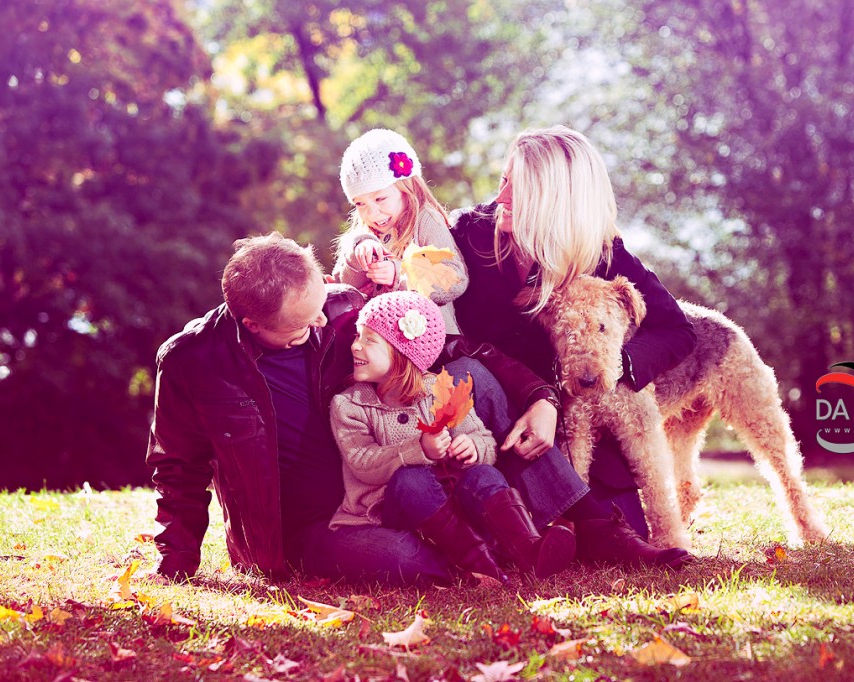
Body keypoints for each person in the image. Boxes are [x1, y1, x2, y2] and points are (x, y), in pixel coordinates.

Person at [146, 233, 454, 586]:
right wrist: (176, 563)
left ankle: (482, 549)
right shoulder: (191, 361)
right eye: (304, 323)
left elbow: (423, 351)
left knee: (433, 501)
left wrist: (533, 393)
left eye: (319, 309)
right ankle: (457, 557)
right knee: (406, 558)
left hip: (375, 495)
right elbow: (177, 468)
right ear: (253, 325)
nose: (321, 323)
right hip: (300, 532)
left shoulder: (342, 310)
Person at [451, 125, 698, 563]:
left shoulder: (603, 253)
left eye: (517, 188)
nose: (499, 197)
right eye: (504, 180)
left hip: (579, 431)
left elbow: (676, 332)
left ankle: (585, 518)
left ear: (554, 203)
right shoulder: (468, 236)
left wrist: (607, 365)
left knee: (617, 530)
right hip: (493, 415)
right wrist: (540, 397)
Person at [329, 290, 574, 583]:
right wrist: (419, 449)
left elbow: (483, 438)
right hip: (394, 510)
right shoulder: (349, 405)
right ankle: (476, 562)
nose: (355, 346)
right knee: (412, 480)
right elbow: (361, 462)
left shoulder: (439, 391)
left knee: (483, 474)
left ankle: (528, 548)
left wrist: (473, 447)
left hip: (455, 507)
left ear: (402, 352)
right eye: (358, 336)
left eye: (369, 340)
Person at [333, 128, 468, 336]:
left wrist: (400, 273)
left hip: (431, 342)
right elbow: (345, 289)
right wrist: (357, 252)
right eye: (360, 203)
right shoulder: (363, 234)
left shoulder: (424, 220)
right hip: (381, 348)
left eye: (380, 199)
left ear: (407, 188)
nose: (371, 213)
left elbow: (455, 279)